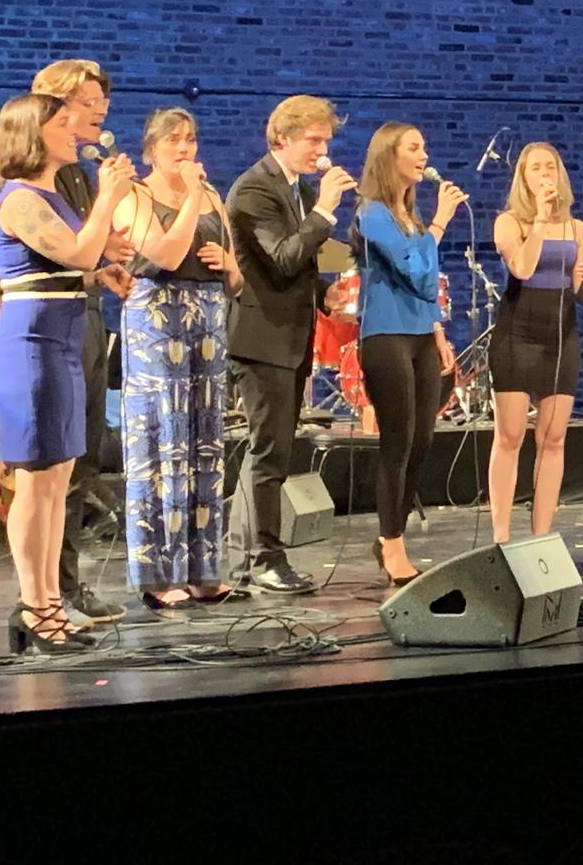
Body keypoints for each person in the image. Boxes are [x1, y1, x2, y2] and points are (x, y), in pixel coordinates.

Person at [0, 93, 133, 651]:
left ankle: (49, 601)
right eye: (62, 122)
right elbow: (75, 252)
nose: (76, 129)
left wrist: (103, 275)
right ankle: (34, 606)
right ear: (32, 133)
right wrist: (109, 197)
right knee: (36, 483)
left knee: (56, 482)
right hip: (32, 346)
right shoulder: (19, 198)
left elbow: (70, 268)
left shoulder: (49, 195)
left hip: (63, 339)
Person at [113, 108, 244, 609]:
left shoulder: (212, 196)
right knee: (162, 443)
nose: (185, 148)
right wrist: (190, 196)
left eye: (190, 138)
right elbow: (165, 255)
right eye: (173, 141)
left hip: (207, 324)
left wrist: (230, 265)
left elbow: (235, 280)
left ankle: (204, 570)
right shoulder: (136, 196)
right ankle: (156, 573)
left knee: (204, 445)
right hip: (157, 324)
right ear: (151, 150)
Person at [226, 95, 356, 594]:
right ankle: (263, 556)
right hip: (262, 338)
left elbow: (300, 266)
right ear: (282, 137)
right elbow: (280, 258)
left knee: (275, 448)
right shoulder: (255, 189)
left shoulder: (295, 189)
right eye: (313, 140)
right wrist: (324, 209)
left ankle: (250, 554)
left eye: (325, 141)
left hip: (291, 336)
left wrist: (329, 295)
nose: (322, 151)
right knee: (269, 452)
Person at [30, 58, 133, 628]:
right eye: (89, 103)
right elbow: (63, 251)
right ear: (57, 107)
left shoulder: (77, 170)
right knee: (56, 464)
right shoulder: (36, 176)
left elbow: (83, 253)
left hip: (86, 315)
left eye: (102, 103)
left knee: (85, 458)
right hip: (52, 326)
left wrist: (105, 265)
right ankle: (50, 591)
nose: (101, 111)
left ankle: (67, 586)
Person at [351, 123, 465, 584]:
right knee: (397, 442)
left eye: (424, 145)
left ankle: (390, 538)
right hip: (386, 335)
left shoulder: (410, 218)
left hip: (420, 334)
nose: (424, 154)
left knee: (422, 441)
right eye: (414, 147)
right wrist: (440, 223)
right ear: (389, 156)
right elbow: (417, 273)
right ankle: (392, 544)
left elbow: (427, 291)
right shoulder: (373, 213)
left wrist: (438, 331)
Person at [487, 142, 583, 544]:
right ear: (524, 178)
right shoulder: (509, 222)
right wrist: (540, 222)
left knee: (553, 439)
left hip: (561, 338)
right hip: (517, 335)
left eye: (550, 166)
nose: (544, 173)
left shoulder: (577, 228)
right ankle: (501, 536)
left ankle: (541, 536)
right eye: (536, 168)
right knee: (510, 435)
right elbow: (524, 267)